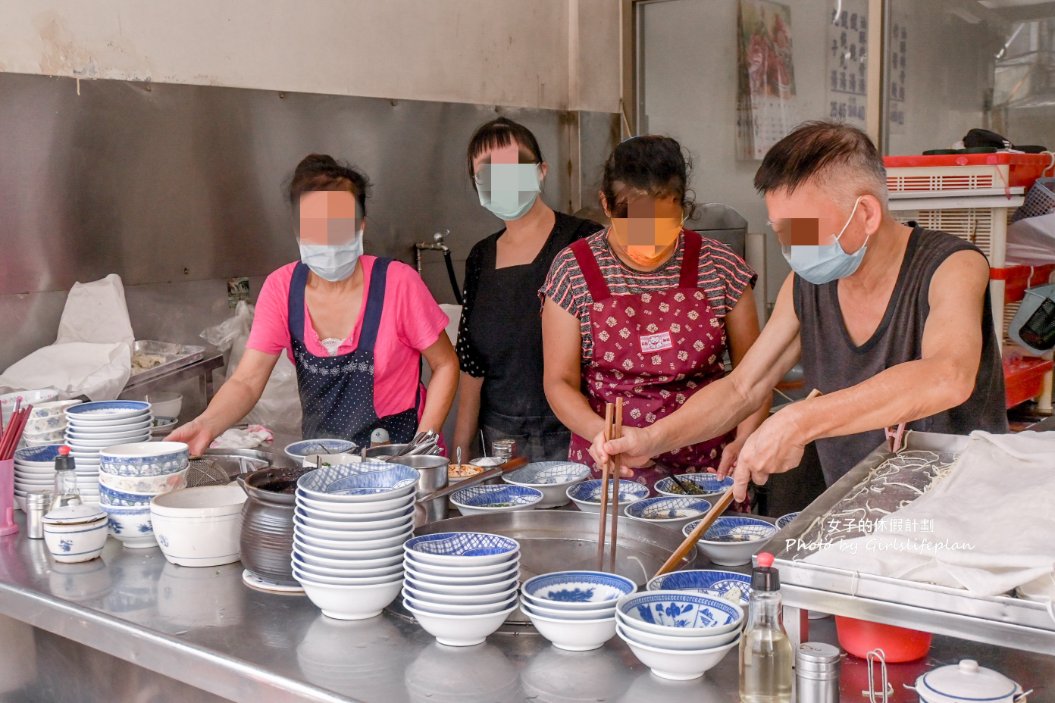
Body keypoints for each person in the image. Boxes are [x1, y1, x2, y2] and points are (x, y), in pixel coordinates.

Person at [593, 122, 1007, 500]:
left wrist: (799, 420)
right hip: (856, 509)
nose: (793, 248)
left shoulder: (951, 265)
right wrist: (651, 439)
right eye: (784, 233)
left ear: (865, 214)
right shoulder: (807, 286)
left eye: (802, 228)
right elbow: (743, 388)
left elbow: (947, 375)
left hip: (957, 509)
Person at [170, 154, 458, 455]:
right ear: (297, 231)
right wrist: (206, 424)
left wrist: (424, 443)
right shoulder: (282, 288)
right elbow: (246, 381)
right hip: (322, 462)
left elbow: (445, 364)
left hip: (400, 457)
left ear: (361, 226)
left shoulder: (398, 283)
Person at [541, 135, 768, 488]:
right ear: (606, 204)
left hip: (707, 470)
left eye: (662, 221)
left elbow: (755, 376)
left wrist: (745, 440)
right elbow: (559, 382)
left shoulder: (720, 267)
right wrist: (603, 436)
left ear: (683, 207)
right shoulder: (573, 269)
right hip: (611, 467)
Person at [452, 118, 602, 461]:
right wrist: (459, 458)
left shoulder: (583, 240)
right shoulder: (480, 256)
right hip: (501, 442)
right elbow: (471, 362)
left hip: (580, 436)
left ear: (540, 171)